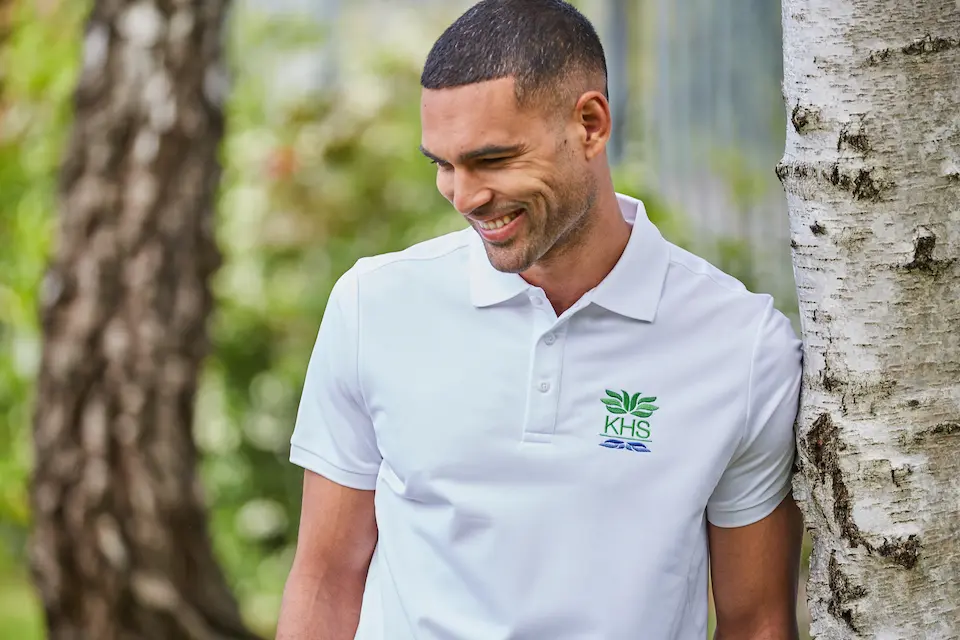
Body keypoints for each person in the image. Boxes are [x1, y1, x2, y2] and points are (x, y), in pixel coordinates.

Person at [276, 0, 804, 638]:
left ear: (590, 125)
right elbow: (327, 577)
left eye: (493, 160)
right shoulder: (374, 306)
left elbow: (756, 621)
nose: (465, 197)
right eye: (443, 164)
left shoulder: (743, 348)